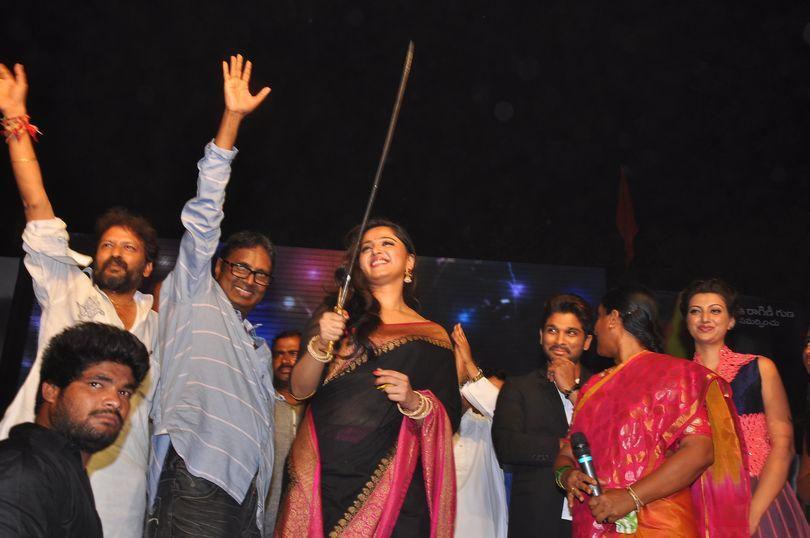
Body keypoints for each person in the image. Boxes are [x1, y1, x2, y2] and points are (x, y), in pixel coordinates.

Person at [0, 62, 159, 537]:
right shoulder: (67, 285)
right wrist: (15, 119)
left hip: (123, 482)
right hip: (41, 465)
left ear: (147, 267)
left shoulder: (160, 323)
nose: (115, 252)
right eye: (107, 244)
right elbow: (36, 207)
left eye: (129, 247)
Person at [146, 54, 274, 537]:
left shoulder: (257, 347)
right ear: (218, 265)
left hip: (246, 493)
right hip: (196, 471)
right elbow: (205, 213)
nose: (249, 279)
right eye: (241, 266)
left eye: (261, 275)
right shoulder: (195, 291)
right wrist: (232, 120)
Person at [276, 219, 461, 537]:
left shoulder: (433, 336)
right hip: (320, 468)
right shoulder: (337, 315)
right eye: (366, 247)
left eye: (387, 243)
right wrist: (321, 343)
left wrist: (414, 402)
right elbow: (300, 389)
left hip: (393, 480)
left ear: (410, 262)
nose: (376, 250)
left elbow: (450, 417)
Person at [555, 286, 750, 537]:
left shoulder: (677, 375)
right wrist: (567, 476)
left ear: (613, 318)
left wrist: (630, 497)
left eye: (599, 317)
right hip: (595, 525)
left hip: (660, 525)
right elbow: (567, 452)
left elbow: (700, 451)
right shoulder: (593, 386)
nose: (595, 328)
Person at [682, 278, 809, 536]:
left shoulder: (758, 368)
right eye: (695, 311)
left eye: (715, 310)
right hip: (694, 498)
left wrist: (752, 515)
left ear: (731, 320)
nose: (705, 318)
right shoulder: (677, 379)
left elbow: (784, 446)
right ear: (686, 320)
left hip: (757, 494)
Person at [0, 322, 150, 537]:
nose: (115, 401)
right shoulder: (22, 470)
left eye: (124, 392)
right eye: (96, 384)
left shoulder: (64, 470)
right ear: (51, 391)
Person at [492, 293, 595, 538]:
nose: (559, 340)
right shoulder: (519, 387)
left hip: (594, 512)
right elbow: (506, 446)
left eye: (571, 333)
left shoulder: (603, 387)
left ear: (587, 341)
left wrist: (571, 391)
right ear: (541, 336)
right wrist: (565, 446)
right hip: (537, 518)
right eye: (552, 330)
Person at [451, 323, 508, 538]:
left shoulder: (490, 428)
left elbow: (499, 411)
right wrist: (459, 376)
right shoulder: (442, 426)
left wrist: (469, 364)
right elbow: (453, 407)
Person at [263, 329, 307, 534]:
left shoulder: (318, 409)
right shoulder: (262, 404)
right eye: (279, 354)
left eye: (293, 353)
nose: (285, 360)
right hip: (264, 521)